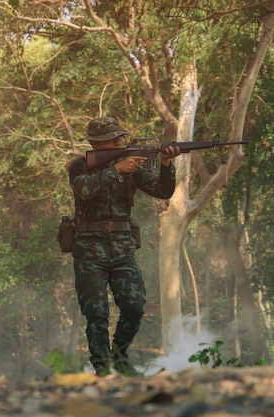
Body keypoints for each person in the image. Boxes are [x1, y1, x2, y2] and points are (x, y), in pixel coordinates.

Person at [67, 117, 180, 376]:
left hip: (122, 248)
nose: (120, 141)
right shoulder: (80, 166)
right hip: (89, 250)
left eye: (120, 137)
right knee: (96, 313)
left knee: (134, 306)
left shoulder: (132, 168)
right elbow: (82, 189)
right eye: (113, 138)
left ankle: (120, 356)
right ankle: (102, 369)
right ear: (96, 143)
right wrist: (116, 170)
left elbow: (163, 191)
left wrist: (166, 163)